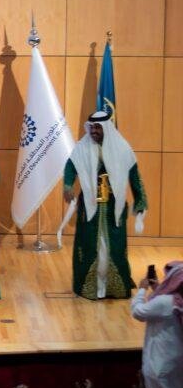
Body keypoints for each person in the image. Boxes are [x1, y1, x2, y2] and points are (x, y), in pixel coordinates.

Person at [63, 110, 147, 300]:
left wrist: (140, 203)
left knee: (113, 249)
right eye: (91, 127)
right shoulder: (82, 147)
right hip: (89, 208)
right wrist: (68, 185)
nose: (93, 131)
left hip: (113, 209)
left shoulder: (122, 148)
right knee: (89, 247)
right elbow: (70, 166)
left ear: (106, 128)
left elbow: (135, 177)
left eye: (97, 127)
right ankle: (90, 287)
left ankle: (113, 287)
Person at [132, 261, 183, 388]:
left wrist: (141, 290)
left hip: (160, 363)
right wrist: (158, 289)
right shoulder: (175, 301)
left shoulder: (165, 302)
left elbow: (138, 312)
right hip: (176, 359)